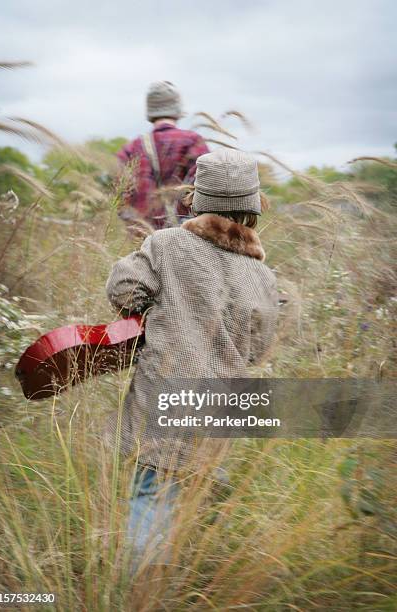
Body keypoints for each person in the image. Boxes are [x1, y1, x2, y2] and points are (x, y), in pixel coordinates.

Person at [104, 148, 279, 567]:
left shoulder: (165, 245)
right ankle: (182, 573)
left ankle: (144, 586)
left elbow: (124, 288)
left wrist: (148, 310)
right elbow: (258, 348)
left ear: (196, 200)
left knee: (151, 491)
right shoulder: (263, 275)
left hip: (164, 396)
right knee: (194, 490)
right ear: (253, 210)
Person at [116, 80, 209, 231]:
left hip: (143, 238)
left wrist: (135, 224)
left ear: (150, 110)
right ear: (177, 109)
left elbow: (120, 195)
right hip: (184, 235)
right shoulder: (193, 142)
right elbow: (206, 187)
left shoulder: (132, 148)